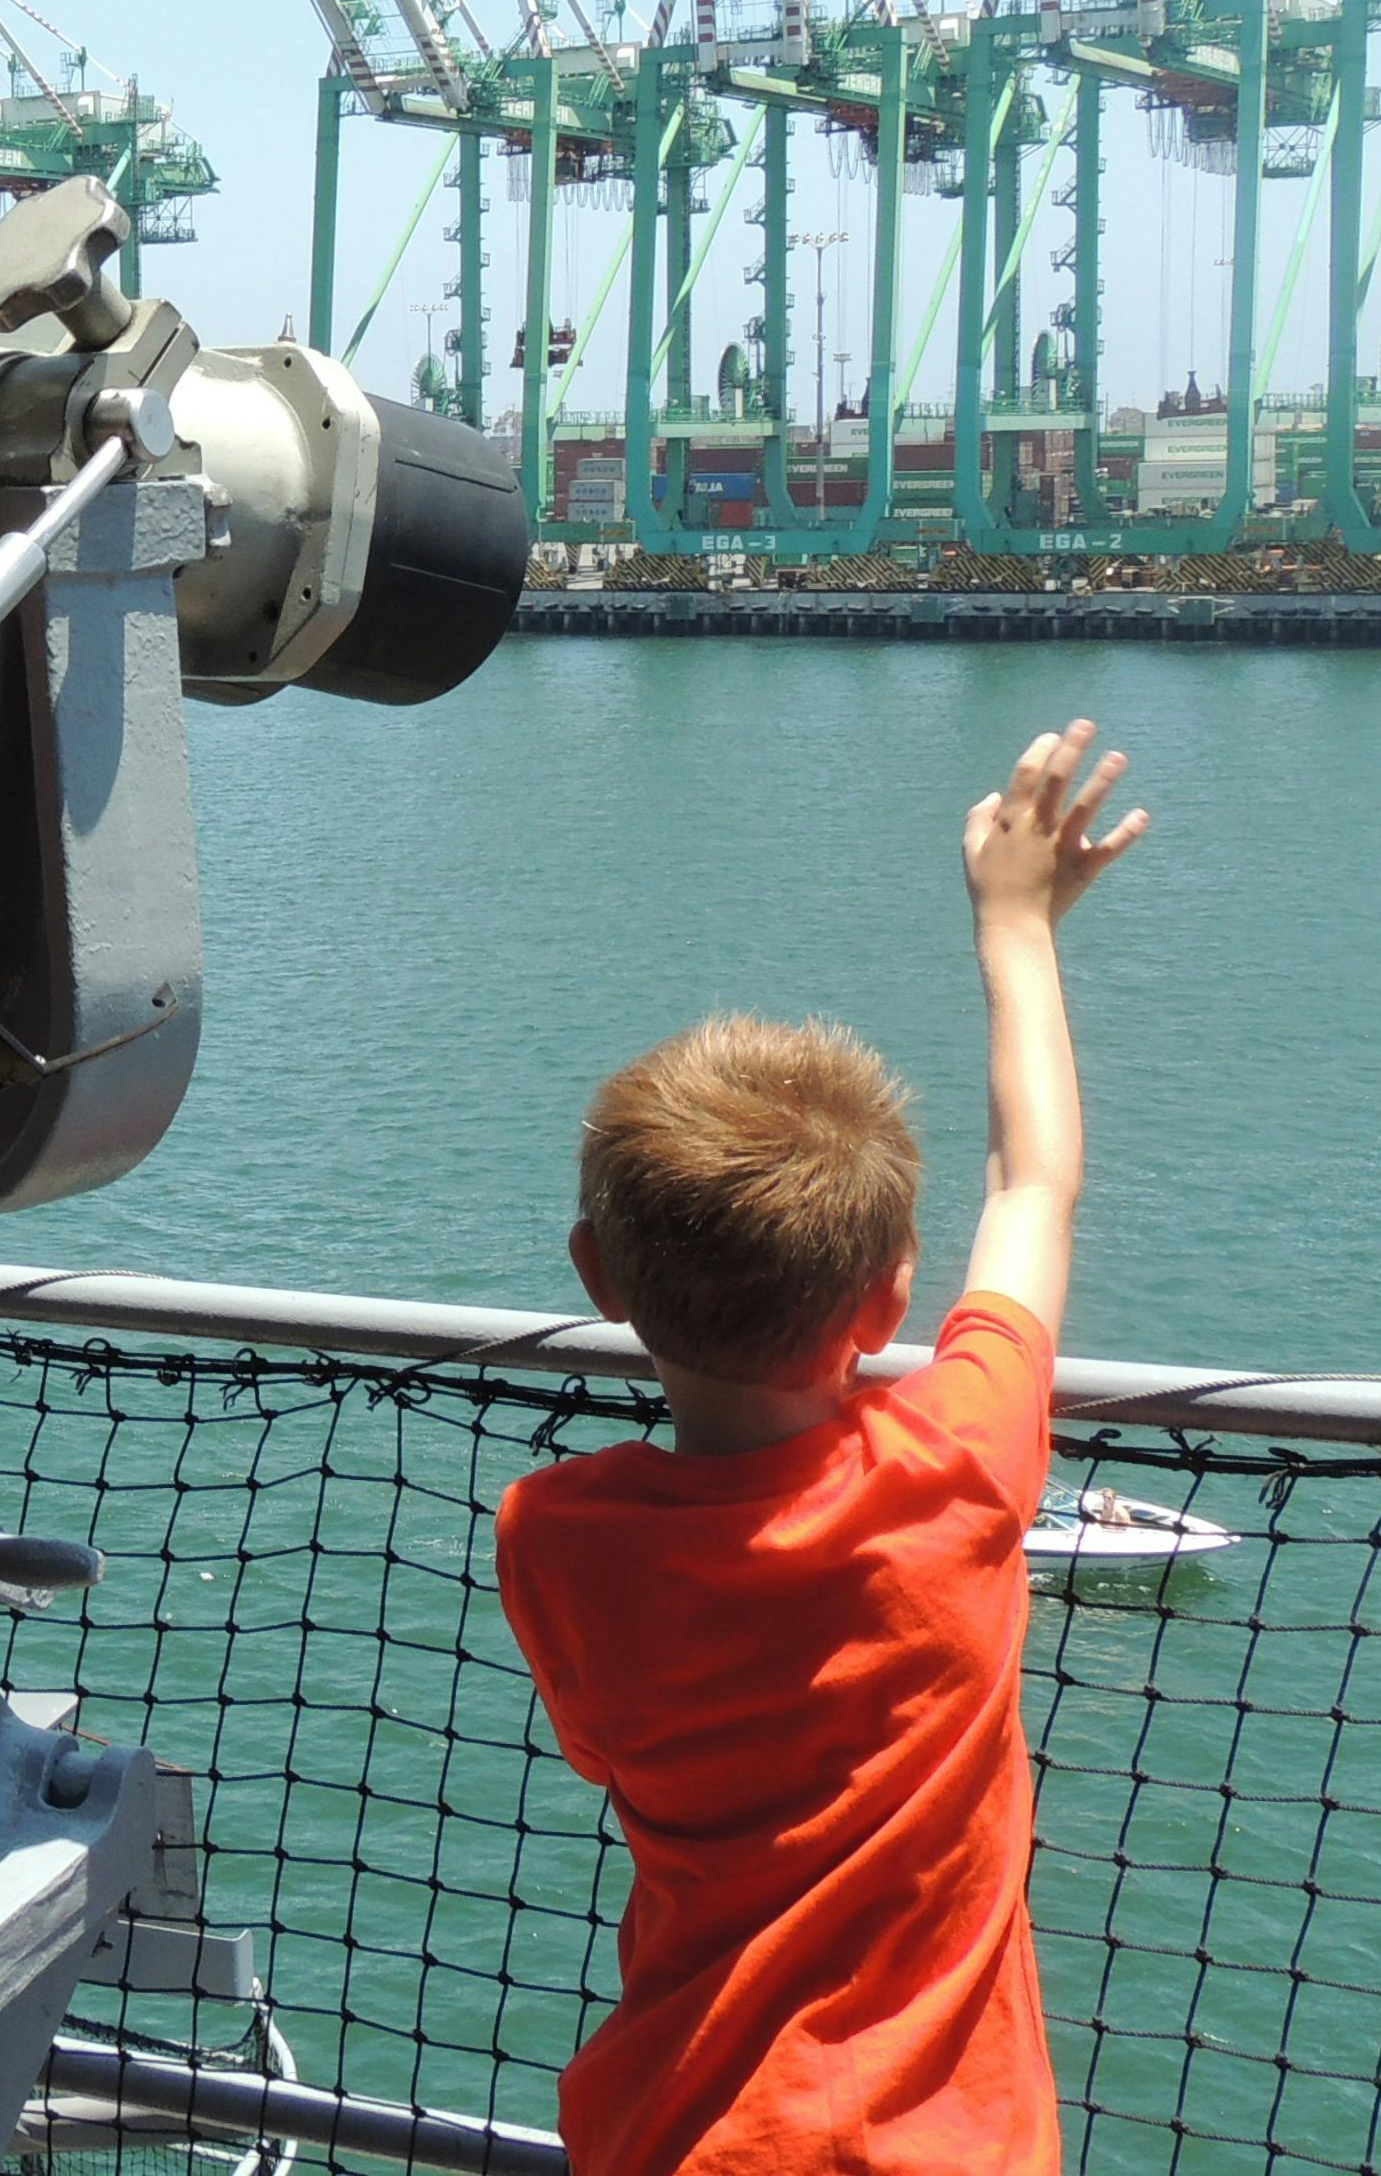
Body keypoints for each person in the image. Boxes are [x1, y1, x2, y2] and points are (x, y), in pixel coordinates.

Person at [491, 719, 1149, 2174]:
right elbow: (1033, 1188)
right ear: (890, 1299)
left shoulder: (554, 1538)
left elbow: (605, 1747)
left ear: (599, 1278)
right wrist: (1017, 922)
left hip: (680, 2132)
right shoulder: (960, 1465)